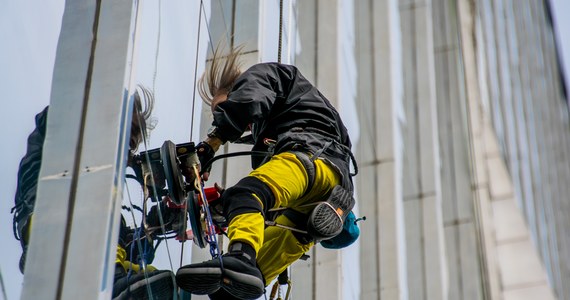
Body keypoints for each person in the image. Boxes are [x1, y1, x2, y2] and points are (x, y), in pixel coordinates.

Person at [175, 47, 359, 300]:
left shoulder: (262, 75)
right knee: (234, 287)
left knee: (248, 192)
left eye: (222, 108)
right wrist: (220, 211)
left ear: (235, 88)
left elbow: (248, 101)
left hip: (310, 160)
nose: (221, 116)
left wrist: (209, 145)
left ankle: (241, 254)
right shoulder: (281, 124)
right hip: (324, 198)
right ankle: (240, 269)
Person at [11, 86, 175, 299]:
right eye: (132, 130)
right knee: (101, 197)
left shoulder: (104, 206)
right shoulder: (64, 126)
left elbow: (129, 246)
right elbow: (58, 114)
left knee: (159, 278)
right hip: (46, 217)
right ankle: (113, 279)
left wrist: (155, 225)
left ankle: (118, 282)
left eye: (134, 143)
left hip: (78, 241)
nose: (133, 144)